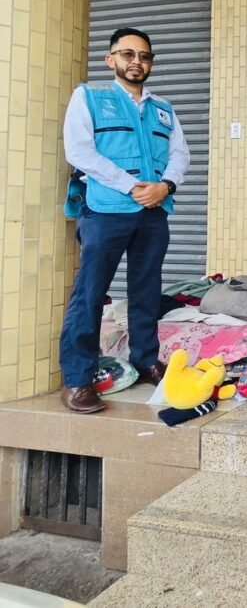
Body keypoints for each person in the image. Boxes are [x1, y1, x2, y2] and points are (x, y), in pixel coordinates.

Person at [58, 27, 191, 413]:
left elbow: (180, 154)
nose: (137, 61)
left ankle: (146, 359)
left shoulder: (163, 108)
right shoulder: (89, 97)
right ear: (111, 59)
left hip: (154, 213)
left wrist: (165, 186)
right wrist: (133, 186)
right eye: (128, 54)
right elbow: (80, 151)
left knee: (147, 290)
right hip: (105, 211)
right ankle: (78, 378)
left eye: (144, 56)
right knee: (91, 293)